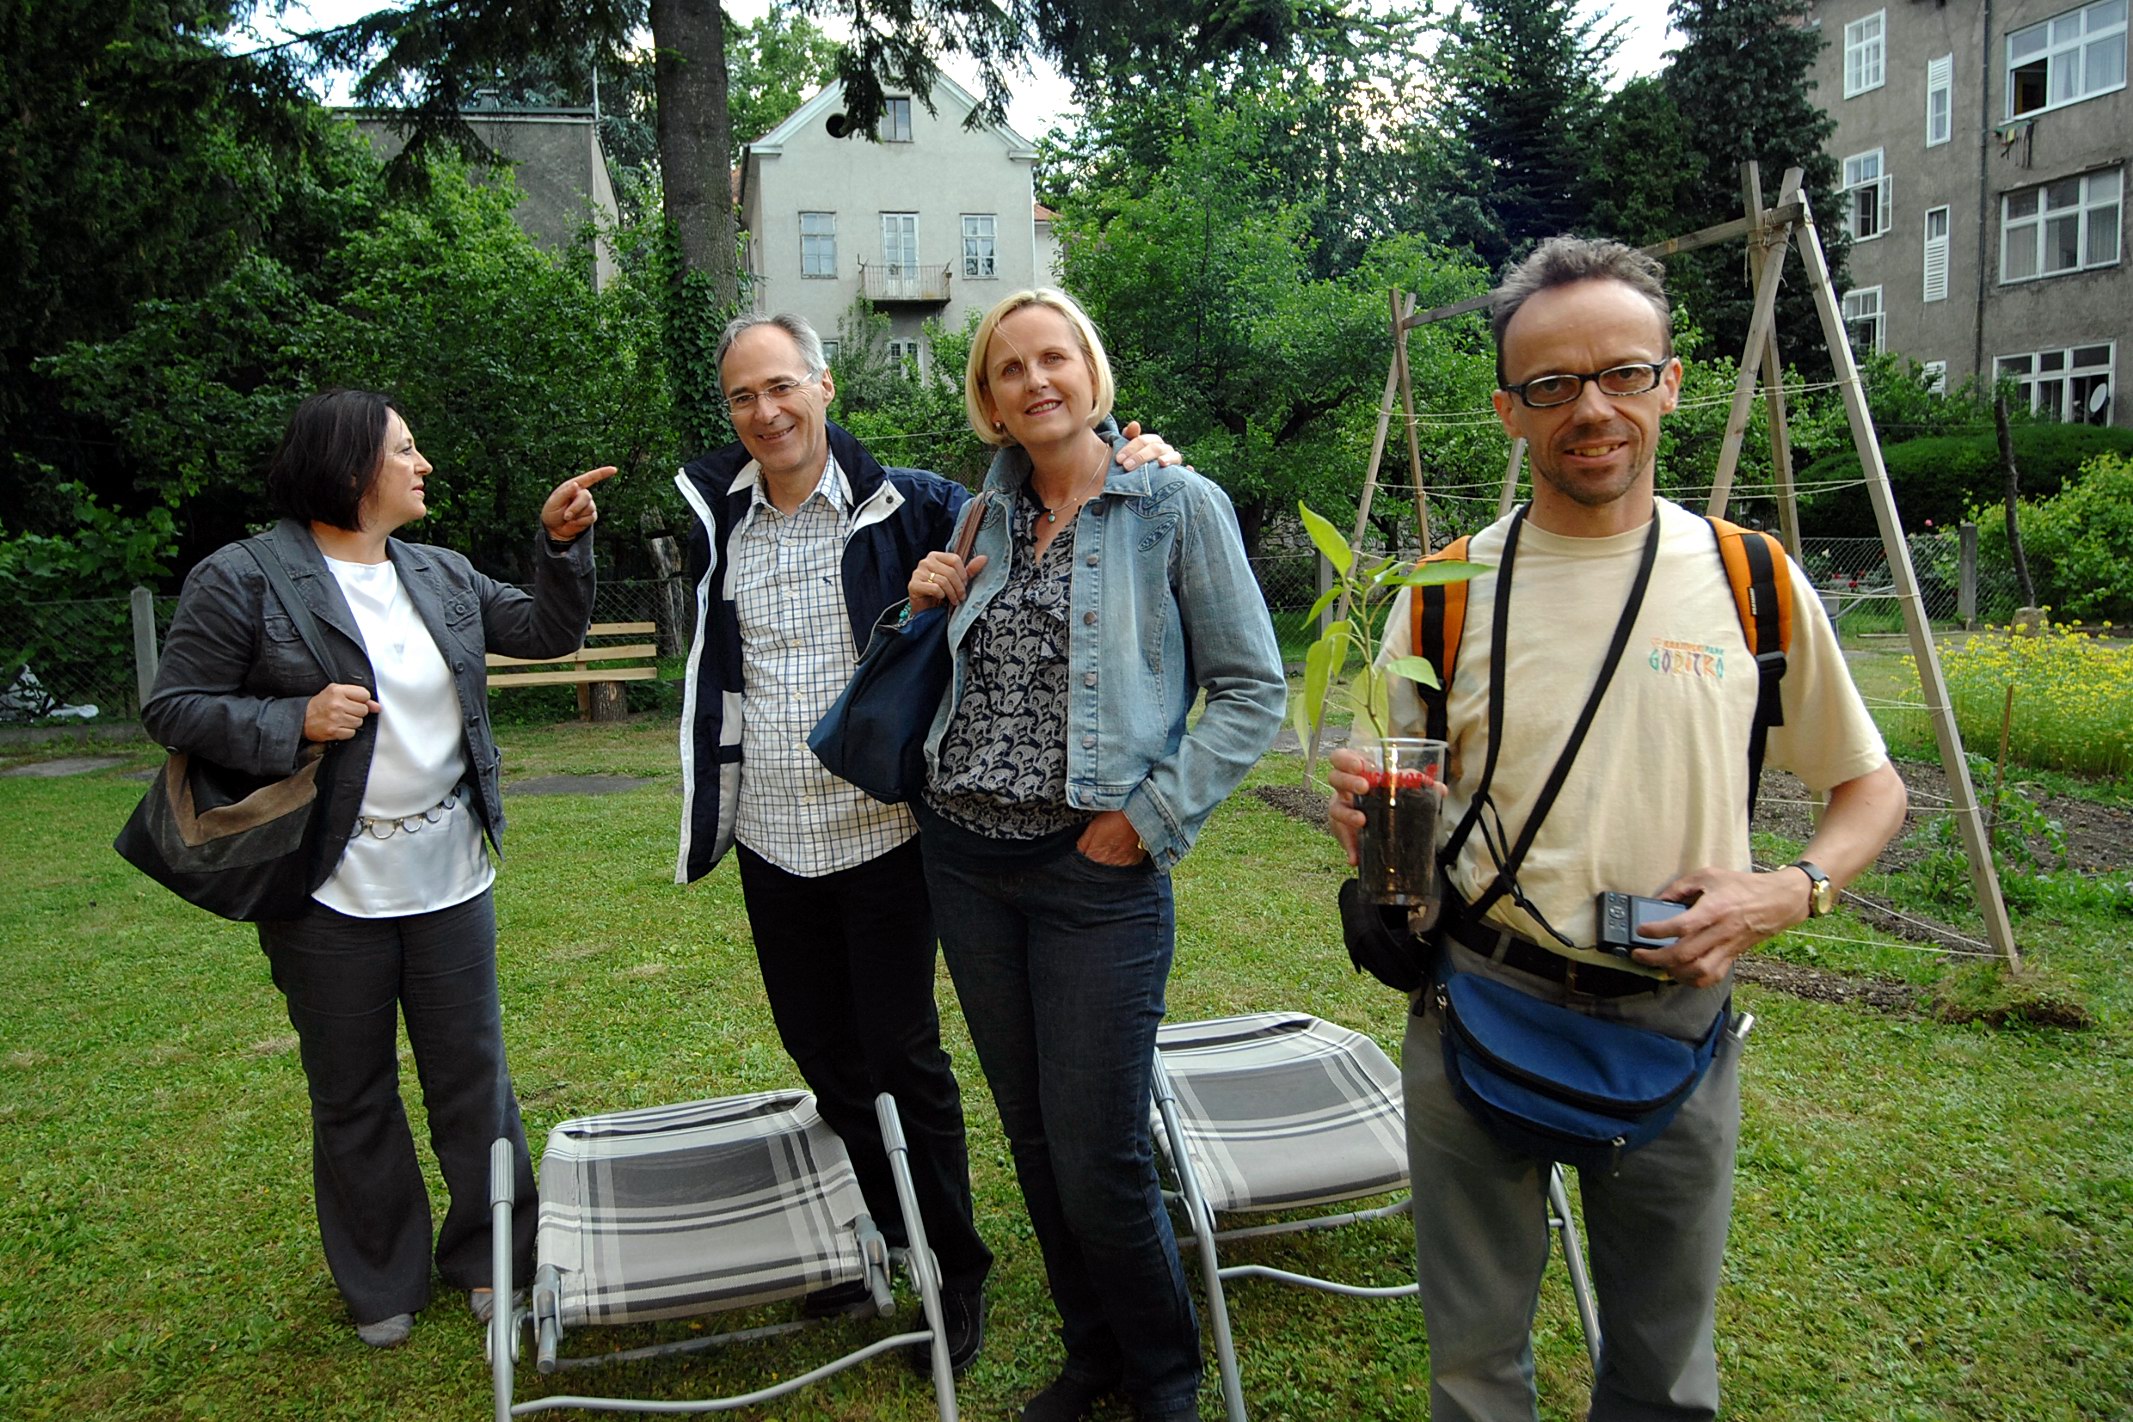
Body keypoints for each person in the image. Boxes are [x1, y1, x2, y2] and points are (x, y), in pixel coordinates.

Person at [1327, 236, 1908, 1422]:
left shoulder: (1751, 580)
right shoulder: (1441, 593)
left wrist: (1789, 889)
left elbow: (1871, 788)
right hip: (1475, 1008)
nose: (1591, 409)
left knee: (1663, 1378)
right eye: (1551, 385)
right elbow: (1397, 794)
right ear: (1508, 410)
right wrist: (1370, 829)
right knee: (1473, 1376)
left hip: (1677, 1024)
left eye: (1622, 374)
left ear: (1670, 383)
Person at [671, 312, 1178, 1374]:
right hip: (772, 835)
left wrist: (1138, 452)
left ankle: (954, 1264)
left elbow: (1048, 501)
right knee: (823, 1055)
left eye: (781, 386)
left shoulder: (921, 506)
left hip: (891, 832)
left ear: (823, 387)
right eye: (742, 396)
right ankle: (888, 1232)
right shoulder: (721, 521)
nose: (765, 411)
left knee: (903, 1055)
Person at [142, 388, 612, 1348]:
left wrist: (561, 548)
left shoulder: (438, 572)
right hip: (323, 884)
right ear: (350, 466)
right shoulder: (244, 577)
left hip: (450, 872)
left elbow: (545, 632)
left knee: (473, 1078)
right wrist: (293, 719)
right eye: (405, 450)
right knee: (351, 1088)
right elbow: (174, 705)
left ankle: (494, 1257)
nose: (422, 464)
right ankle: (382, 1278)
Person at [906, 288, 1285, 1422]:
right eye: (1008, 368)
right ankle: (1094, 1355)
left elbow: (1251, 689)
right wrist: (924, 606)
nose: (1035, 381)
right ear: (988, 399)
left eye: (1053, 358)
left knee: (1099, 1150)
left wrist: (1149, 819)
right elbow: (957, 677)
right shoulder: (981, 517)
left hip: (1093, 877)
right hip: (965, 863)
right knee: (1031, 1135)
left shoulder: (1174, 504)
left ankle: (1164, 1377)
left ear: (1090, 371)